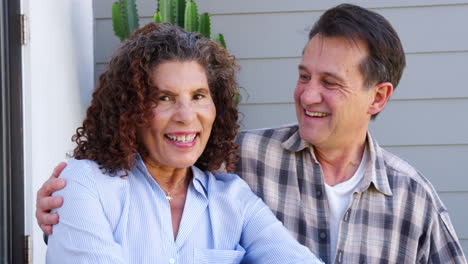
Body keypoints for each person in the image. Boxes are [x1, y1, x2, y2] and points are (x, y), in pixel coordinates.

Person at [38, 4, 467, 264]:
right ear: (133, 104)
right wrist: (66, 207)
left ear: (378, 97)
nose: (308, 94)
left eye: (330, 83)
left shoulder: (413, 197)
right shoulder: (243, 158)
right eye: (304, 75)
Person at [44, 22, 322, 263]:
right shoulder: (85, 185)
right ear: (130, 110)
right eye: (164, 98)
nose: (187, 117)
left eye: (199, 96)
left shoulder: (233, 200)